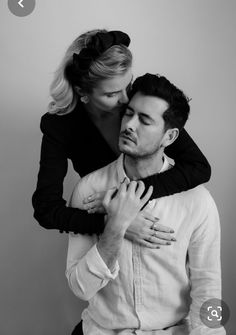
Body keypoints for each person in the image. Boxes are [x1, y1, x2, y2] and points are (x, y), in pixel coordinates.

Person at [66, 73, 225, 334]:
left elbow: (209, 292)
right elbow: (80, 288)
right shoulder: (89, 190)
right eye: (128, 114)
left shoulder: (198, 201)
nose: (129, 125)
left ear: (170, 137)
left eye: (145, 120)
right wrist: (115, 225)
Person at [32, 29, 211, 248]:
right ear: (82, 91)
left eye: (128, 85)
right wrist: (115, 223)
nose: (127, 99)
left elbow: (199, 167)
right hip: (103, 232)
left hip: (161, 216)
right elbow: (46, 210)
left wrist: (125, 197)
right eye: (111, 94)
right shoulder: (59, 126)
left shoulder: (139, 98)